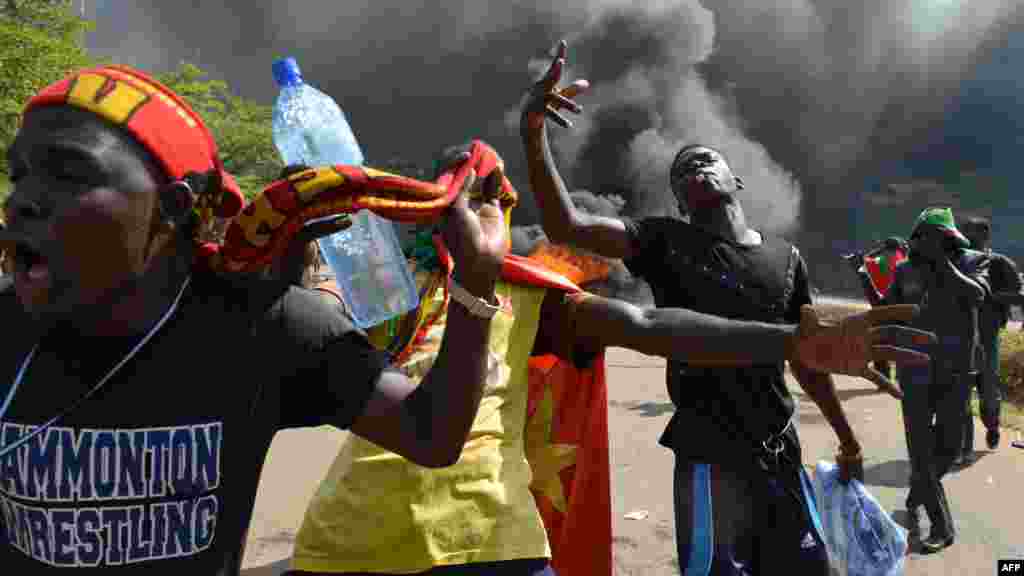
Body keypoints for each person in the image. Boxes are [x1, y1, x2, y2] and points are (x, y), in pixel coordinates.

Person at [283, 146, 929, 575]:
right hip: (350, 545)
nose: (470, 205)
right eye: (454, 190)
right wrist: (291, 251)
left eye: (488, 194)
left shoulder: (534, 296)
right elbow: (305, 342)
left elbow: (648, 326)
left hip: (493, 541)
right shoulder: (387, 292)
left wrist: (794, 347)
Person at [0, 65, 510, 575]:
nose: (20, 200)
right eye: (19, 175)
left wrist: (476, 277)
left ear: (171, 207)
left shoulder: (260, 324)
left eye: (68, 174)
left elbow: (431, 433)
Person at [517, 40, 908, 575]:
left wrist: (847, 438)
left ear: (735, 180)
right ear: (680, 202)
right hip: (709, 458)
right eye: (680, 170)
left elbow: (809, 354)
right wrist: (533, 133)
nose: (693, 164)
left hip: (781, 452)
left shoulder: (786, 258)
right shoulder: (663, 240)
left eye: (706, 158)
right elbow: (568, 225)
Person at [881, 207, 991, 553]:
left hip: (955, 371)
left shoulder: (972, 262)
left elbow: (978, 295)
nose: (926, 244)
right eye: (922, 238)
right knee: (920, 452)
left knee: (949, 448)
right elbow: (886, 310)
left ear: (949, 239)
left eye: (935, 238)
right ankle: (941, 526)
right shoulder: (904, 270)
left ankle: (919, 490)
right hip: (914, 370)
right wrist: (865, 280)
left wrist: (943, 263)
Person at [959, 216, 1020, 452]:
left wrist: (989, 296)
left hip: (987, 338)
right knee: (959, 393)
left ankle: (992, 426)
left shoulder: (999, 264)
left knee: (988, 394)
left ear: (985, 236)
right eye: (964, 232)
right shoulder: (955, 261)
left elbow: (1019, 295)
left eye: (971, 233)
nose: (966, 237)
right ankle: (961, 446)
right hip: (959, 338)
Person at [844, 236, 910, 380]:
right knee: (903, 343)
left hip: (881, 311)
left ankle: (883, 377)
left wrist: (876, 252)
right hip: (903, 312)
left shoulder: (874, 263)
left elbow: (860, 262)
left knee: (876, 341)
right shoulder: (903, 262)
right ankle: (901, 376)